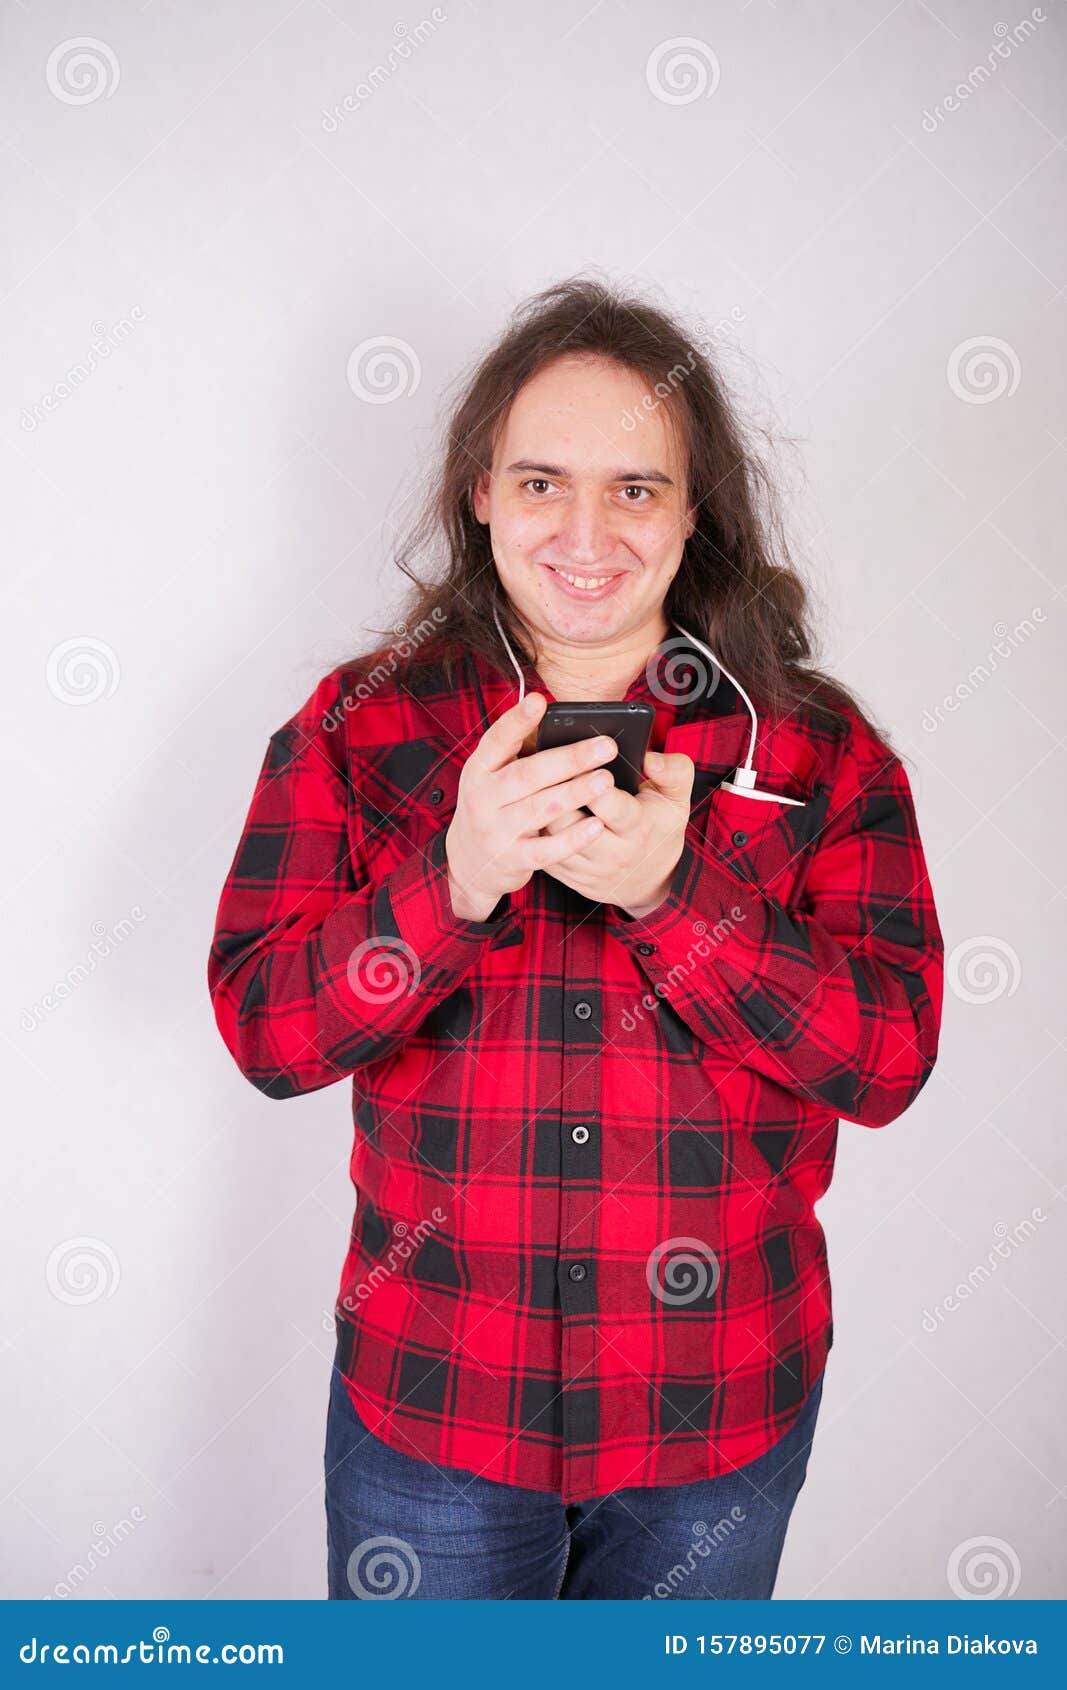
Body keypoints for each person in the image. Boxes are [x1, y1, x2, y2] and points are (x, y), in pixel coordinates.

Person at [207, 276, 944, 1600]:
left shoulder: (821, 754)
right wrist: (454, 880)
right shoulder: (360, 726)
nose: (586, 528)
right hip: (437, 1409)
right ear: (481, 491)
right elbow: (265, 1029)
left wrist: (682, 896)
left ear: (694, 508)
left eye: (637, 487)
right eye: (541, 481)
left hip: (716, 1412)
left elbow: (887, 1058)